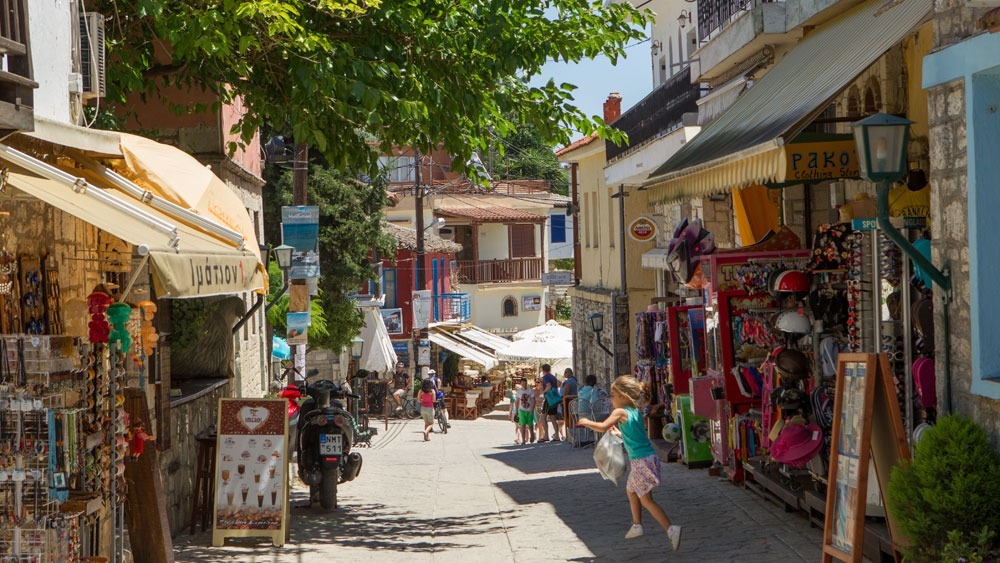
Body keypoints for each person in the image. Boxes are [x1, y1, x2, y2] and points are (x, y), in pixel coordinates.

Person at [577, 375, 682, 551]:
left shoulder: (620, 412)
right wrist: (619, 434)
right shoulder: (635, 411)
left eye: (613, 395)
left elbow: (602, 426)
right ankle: (637, 525)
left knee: (646, 500)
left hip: (641, 461)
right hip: (647, 458)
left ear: (623, 396)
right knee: (631, 490)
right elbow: (635, 437)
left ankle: (671, 529)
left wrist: (586, 422)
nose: (610, 399)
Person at [539, 363, 562, 442]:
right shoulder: (553, 377)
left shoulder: (545, 377)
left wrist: (543, 392)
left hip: (549, 399)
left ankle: (546, 436)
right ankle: (557, 436)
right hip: (555, 399)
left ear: (543, 370)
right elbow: (558, 384)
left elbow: (548, 386)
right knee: (553, 417)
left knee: (543, 417)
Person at [514, 377, 536, 446]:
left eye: (525, 383)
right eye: (522, 383)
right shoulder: (519, 391)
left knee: (530, 425)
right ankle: (523, 440)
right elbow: (517, 401)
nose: (524, 384)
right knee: (522, 425)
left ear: (527, 383)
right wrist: (516, 411)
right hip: (521, 410)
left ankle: (532, 435)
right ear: (520, 384)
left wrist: (532, 409)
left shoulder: (530, 391)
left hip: (529, 410)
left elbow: (533, 400)